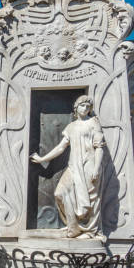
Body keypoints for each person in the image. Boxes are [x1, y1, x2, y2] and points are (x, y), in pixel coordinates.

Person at [30, 95, 106, 239]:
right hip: (74, 166)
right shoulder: (71, 127)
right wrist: (42, 159)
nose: (86, 108)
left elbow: (99, 147)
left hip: (89, 165)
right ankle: (74, 226)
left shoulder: (93, 122)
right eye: (83, 105)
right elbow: (61, 147)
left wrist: (96, 168)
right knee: (60, 193)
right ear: (76, 108)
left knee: (91, 200)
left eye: (88, 106)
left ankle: (90, 230)